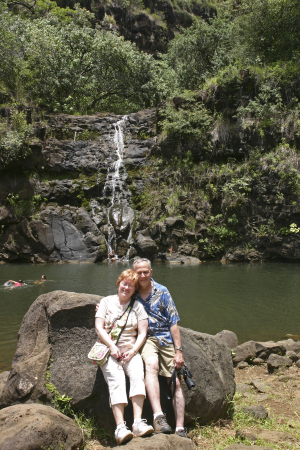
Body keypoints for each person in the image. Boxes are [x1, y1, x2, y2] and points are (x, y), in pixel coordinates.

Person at [95, 269, 154, 445]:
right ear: (119, 283)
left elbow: (142, 333)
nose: (127, 287)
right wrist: (112, 347)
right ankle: (120, 427)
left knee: (137, 374)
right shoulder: (106, 302)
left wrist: (134, 351)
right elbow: (98, 327)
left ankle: (137, 423)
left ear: (134, 289)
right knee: (117, 379)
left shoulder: (137, 307)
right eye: (124, 283)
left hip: (130, 351)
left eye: (131, 285)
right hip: (109, 350)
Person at [133, 258, 186, 438]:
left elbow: (173, 322)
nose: (142, 275)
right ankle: (158, 417)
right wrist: (102, 308)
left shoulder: (162, 291)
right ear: (135, 273)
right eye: (138, 272)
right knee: (151, 365)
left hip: (165, 337)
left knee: (176, 380)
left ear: (151, 272)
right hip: (146, 337)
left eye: (145, 272)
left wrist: (178, 351)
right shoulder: (132, 291)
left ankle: (180, 427)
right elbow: (118, 300)